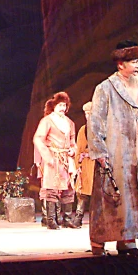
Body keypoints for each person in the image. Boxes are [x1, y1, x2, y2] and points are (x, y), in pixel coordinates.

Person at [87, 41, 138, 255]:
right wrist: (99, 151)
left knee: (135, 194)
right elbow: (95, 122)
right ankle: (98, 243)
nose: (137, 66)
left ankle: (128, 240)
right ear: (120, 65)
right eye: (133, 62)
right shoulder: (105, 88)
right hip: (115, 151)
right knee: (110, 198)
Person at [33, 92, 77, 230]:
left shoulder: (69, 122)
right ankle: (51, 220)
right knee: (51, 187)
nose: (62, 108)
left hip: (66, 158)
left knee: (69, 188)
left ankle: (67, 219)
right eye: (60, 105)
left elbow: (72, 141)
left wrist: (73, 150)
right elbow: (38, 139)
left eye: (64, 105)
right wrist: (47, 157)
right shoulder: (47, 121)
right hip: (53, 157)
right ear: (54, 106)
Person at [72, 101, 94, 228]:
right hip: (86, 165)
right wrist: (77, 165)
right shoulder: (83, 130)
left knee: (97, 194)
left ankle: (97, 219)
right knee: (82, 192)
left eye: (90, 113)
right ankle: (78, 217)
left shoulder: (103, 128)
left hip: (97, 164)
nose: (88, 116)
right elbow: (79, 149)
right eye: (86, 113)